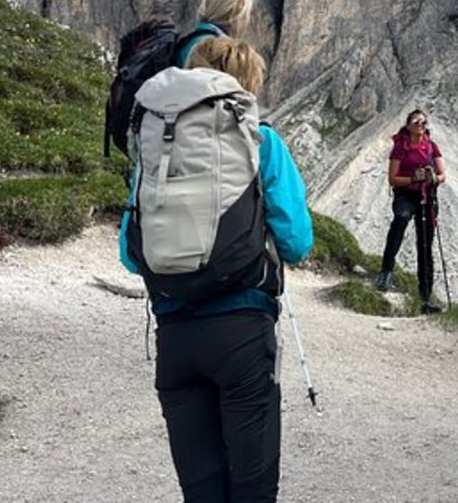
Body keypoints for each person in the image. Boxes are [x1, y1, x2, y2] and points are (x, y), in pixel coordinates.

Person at [120, 36, 313, 501]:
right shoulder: (260, 140)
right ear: (246, 86)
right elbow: (297, 241)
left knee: (201, 491)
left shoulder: (157, 142)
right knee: (252, 488)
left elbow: (130, 252)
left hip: (174, 337)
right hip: (242, 333)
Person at [375, 109, 448, 313]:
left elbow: (443, 174)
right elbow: (392, 179)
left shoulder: (432, 146)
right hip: (406, 194)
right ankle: (386, 272)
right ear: (408, 126)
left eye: (423, 122)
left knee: (425, 244)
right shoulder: (401, 147)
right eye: (416, 122)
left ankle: (426, 297)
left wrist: (433, 178)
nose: (420, 125)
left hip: (427, 196)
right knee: (401, 219)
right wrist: (413, 179)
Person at [177, 0, 257, 67]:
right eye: (247, 14)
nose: (248, 20)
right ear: (235, 14)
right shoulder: (214, 49)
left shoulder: (192, 40)